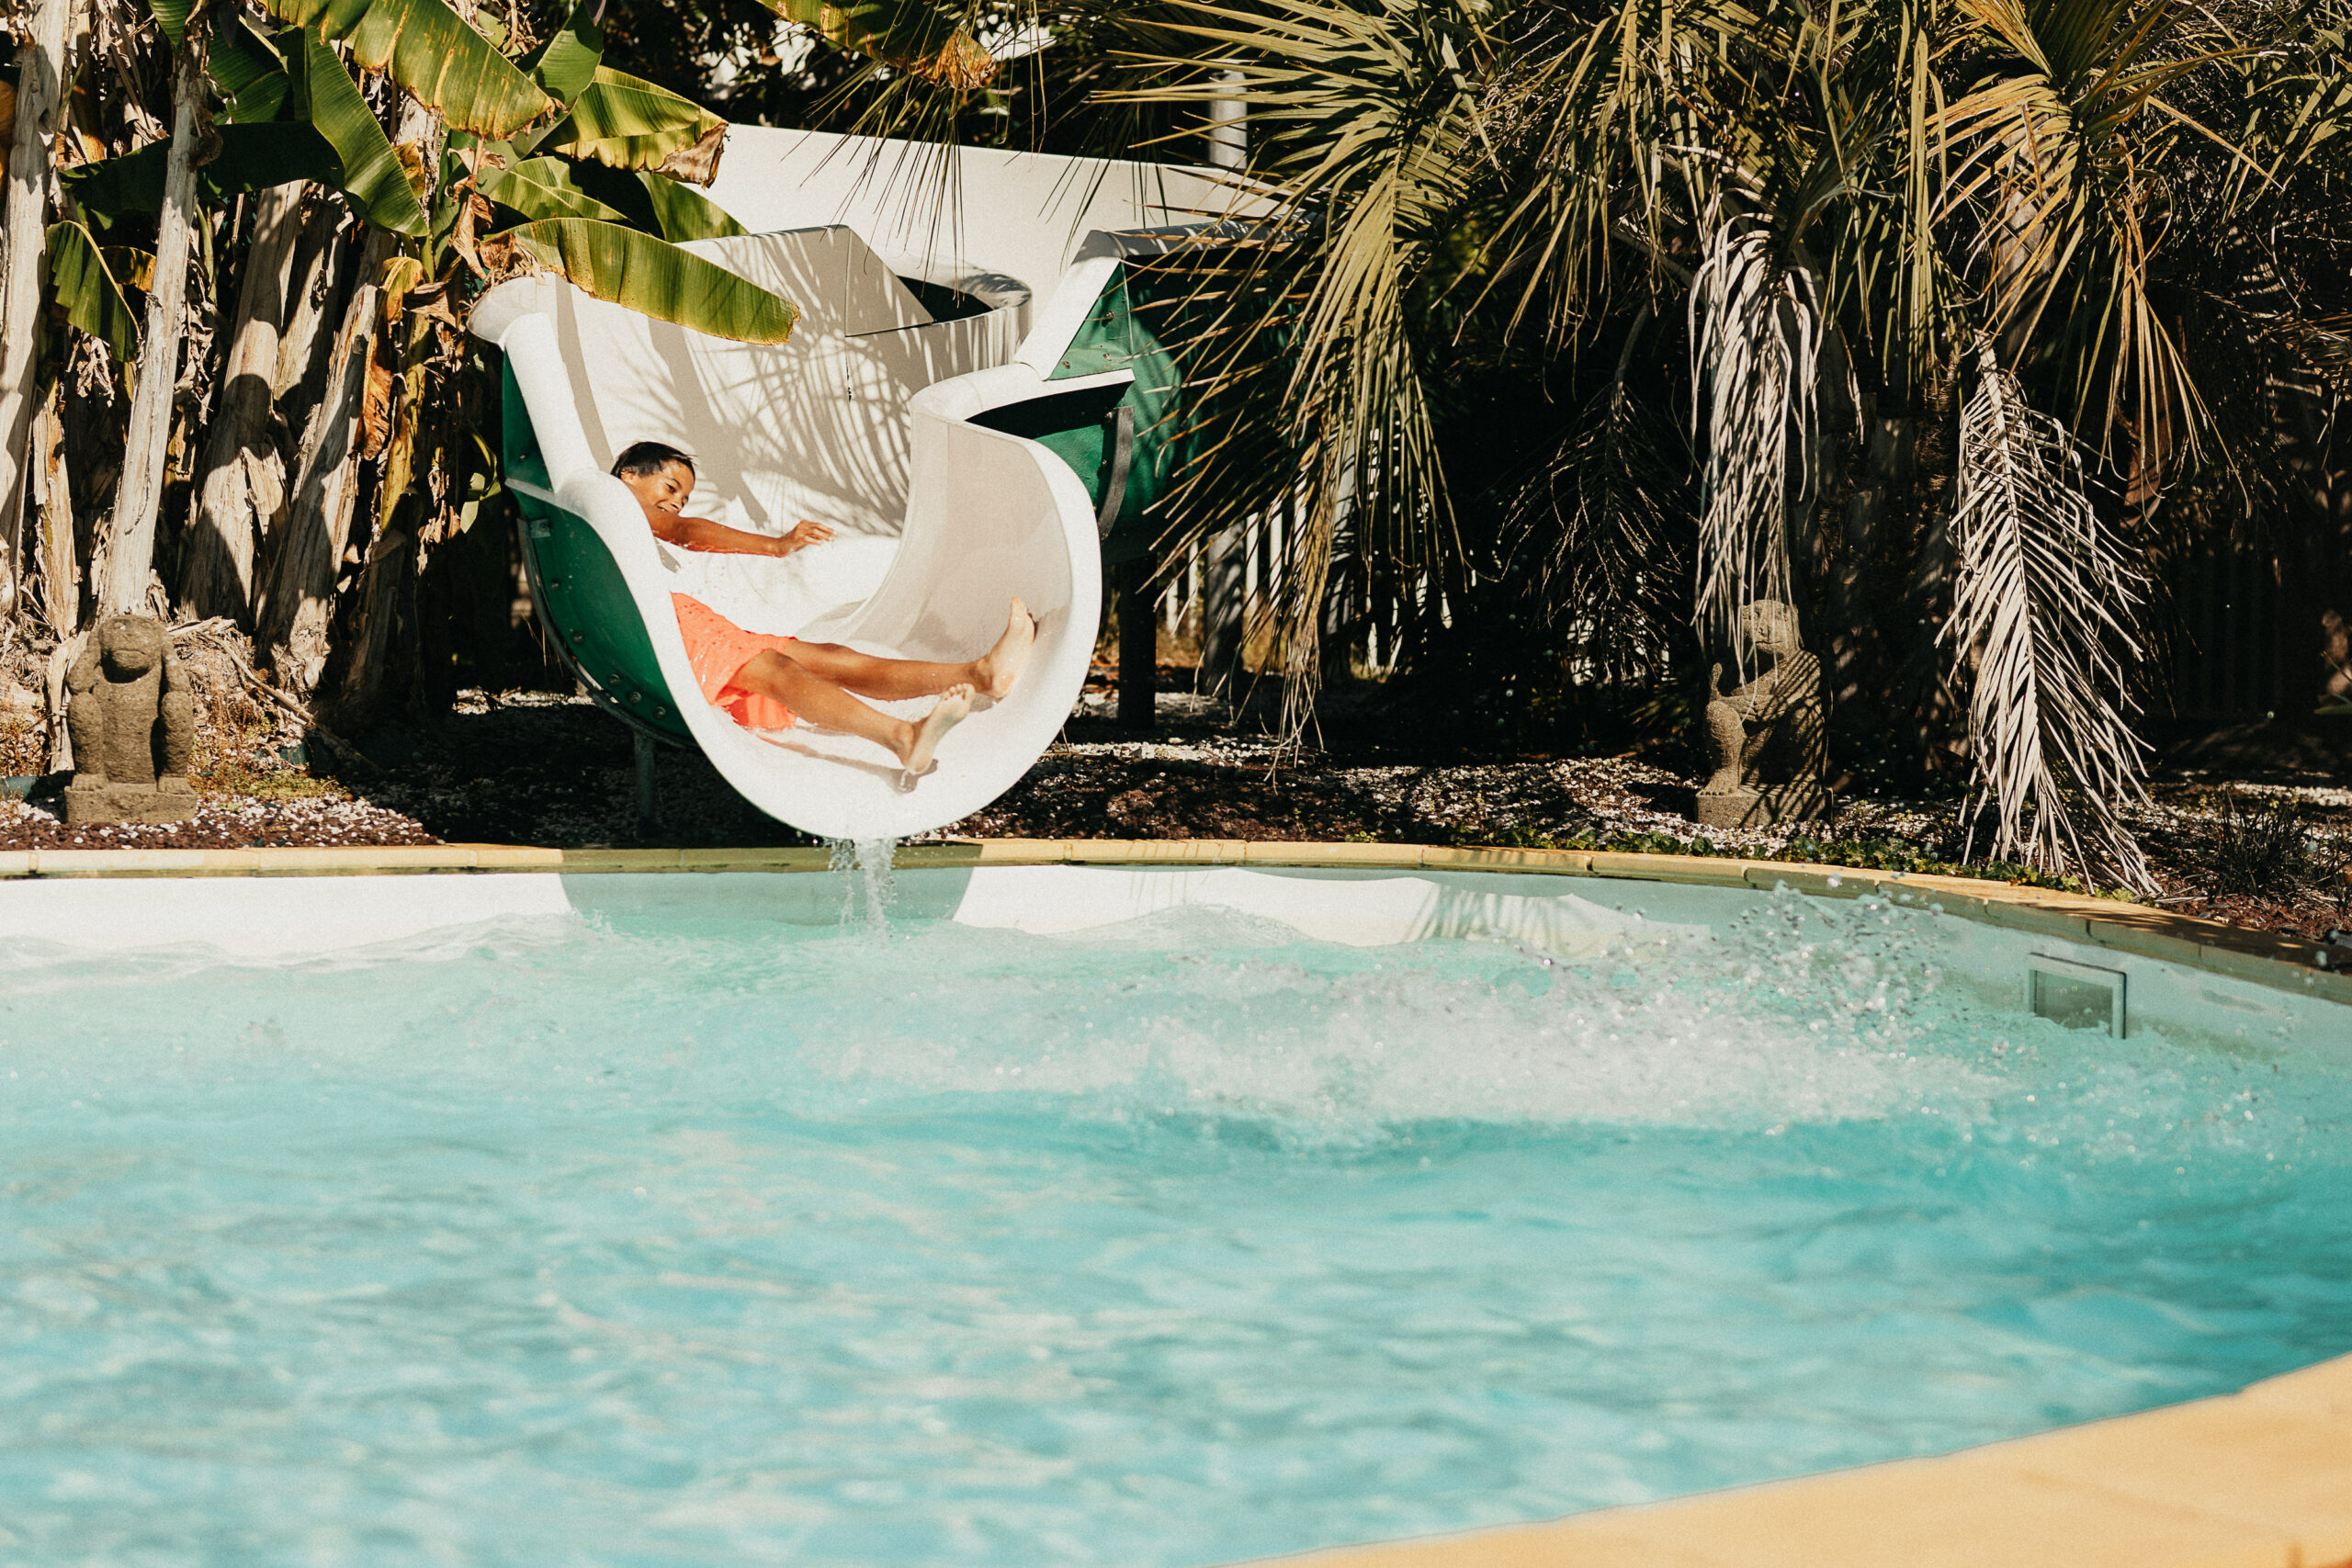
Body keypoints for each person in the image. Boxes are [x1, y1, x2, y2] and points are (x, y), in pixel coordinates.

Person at [611, 441, 1036, 777]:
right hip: (664, 627)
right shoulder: (614, 498)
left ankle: (979, 674)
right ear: (629, 476)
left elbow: (677, 528)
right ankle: (901, 737)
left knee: (828, 657)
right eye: (670, 488)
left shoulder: (624, 514)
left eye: (683, 498)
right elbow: (683, 531)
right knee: (781, 670)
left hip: (690, 623)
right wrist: (777, 546)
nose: (676, 503)